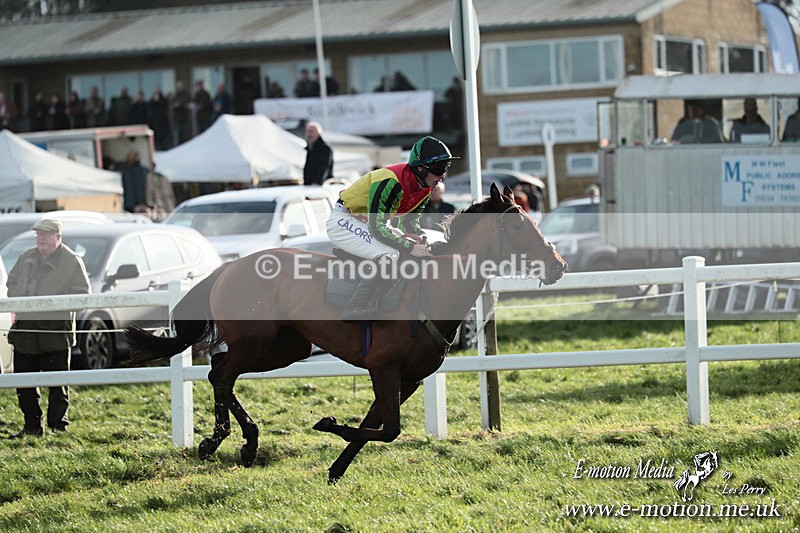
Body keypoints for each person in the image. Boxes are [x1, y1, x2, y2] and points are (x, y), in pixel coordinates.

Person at [326, 135, 459, 322]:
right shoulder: (391, 182)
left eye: (445, 169)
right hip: (345, 220)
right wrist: (410, 247)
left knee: (408, 250)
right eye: (438, 169)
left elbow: (410, 222)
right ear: (420, 168)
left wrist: (420, 238)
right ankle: (354, 307)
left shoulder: (425, 188)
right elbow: (377, 228)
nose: (442, 176)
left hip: (368, 223)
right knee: (391, 254)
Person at [6, 218, 91, 438]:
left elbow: (83, 295)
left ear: (58, 237)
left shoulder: (72, 261)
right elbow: (11, 283)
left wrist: (54, 302)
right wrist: (19, 298)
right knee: (24, 384)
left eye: (46, 234)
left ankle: (58, 428)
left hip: (54, 334)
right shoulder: (26, 258)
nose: (41, 239)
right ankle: (32, 427)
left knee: (57, 385)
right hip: (26, 333)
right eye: (38, 234)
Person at [303, 121, 333, 186]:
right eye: (307, 131)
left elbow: (324, 167)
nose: (309, 134)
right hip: (310, 185)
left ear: (318, 133)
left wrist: (317, 183)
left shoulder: (325, 148)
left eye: (311, 131)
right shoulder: (310, 147)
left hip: (321, 186)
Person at [170, 81, 192, 145]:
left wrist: (180, 104)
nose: (179, 88)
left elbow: (187, 102)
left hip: (184, 116)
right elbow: (172, 103)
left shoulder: (186, 94)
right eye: (178, 86)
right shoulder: (175, 95)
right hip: (176, 117)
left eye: (181, 86)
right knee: (178, 133)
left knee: (183, 133)